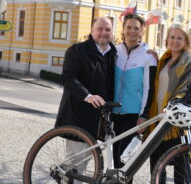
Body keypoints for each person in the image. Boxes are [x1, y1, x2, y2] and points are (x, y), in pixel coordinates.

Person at [55, 17, 117, 184]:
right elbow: (68, 78)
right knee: (75, 164)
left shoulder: (113, 54)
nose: (104, 33)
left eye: (108, 29)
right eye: (100, 29)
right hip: (77, 114)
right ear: (92, 30)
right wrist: (88, 96)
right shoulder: (77, 50)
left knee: (86, 161)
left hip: (98, 120)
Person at [147, 24, 191, 184]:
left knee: (181, 169)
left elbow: (187, 87)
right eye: (172, 37)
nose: (175, 41)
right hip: (159, 117)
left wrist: (172, 104)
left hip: (177, 120)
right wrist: (153, 58)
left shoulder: (190, 61)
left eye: (180, 38)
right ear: (167, 40)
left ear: (186, 41)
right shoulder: (164, 59)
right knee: (157, 165)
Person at [111, 14, 157, 178]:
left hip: (132, 115)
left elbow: (149, 88)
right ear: (123, 29)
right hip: (112, 113)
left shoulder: (148, 56)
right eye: (128, 27)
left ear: (142, 31)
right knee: (111, 161)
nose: (132, 31)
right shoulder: (115, 51)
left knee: (125, 161)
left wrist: (144, 115)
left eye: (136, 28)